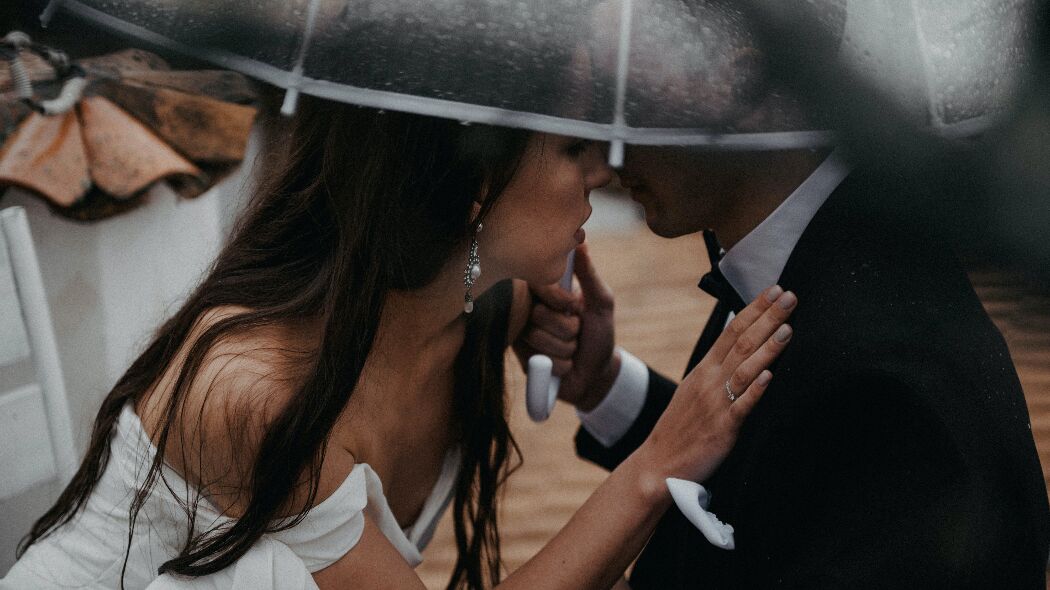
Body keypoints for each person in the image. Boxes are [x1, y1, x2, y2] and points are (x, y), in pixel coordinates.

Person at [1, 96, 797, 589]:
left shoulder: (490, 307)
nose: (603, 169)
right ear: (476, 182)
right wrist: (658, 465)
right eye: (572, 146)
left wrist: (594, 378)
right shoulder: (255, 393)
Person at [517, 143, 1050, 587]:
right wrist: (607, 388)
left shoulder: (895, 394)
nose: (609, 156)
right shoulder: (808, 249)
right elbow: (769, 478)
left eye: (638, 99)